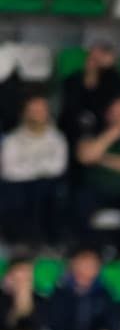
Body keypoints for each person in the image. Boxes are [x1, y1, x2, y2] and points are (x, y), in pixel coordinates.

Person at [1, 95, 68, 250]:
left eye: (41, 110)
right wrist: (40, 168)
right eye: (33, 110)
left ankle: (48, 242)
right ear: (25, 113)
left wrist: (28, 167)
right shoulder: (12, 140)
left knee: (48, 190)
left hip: (46, 185)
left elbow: (58, 167)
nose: (37, 114)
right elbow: (9, 170)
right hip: (17, 186)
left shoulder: (57, 138)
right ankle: (17, 242)